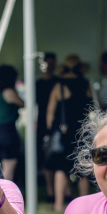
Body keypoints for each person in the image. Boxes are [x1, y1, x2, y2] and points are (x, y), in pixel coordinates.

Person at [45, 55, 92, 212]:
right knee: (83, 171)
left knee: (60, 169)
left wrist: (51, 130)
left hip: (64, 133)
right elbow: (92, 108)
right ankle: (85, 206)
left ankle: (59, 205)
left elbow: (50, 113)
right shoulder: (86, 85)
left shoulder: (59, 86)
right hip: (82, 132)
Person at [0, 64, 24, 181]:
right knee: (8, 169)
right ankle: (7, 196)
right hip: (8, 132)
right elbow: (23, 103)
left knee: (0, 167)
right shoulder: (9, 92)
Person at [36, 53, 57, 201]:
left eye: (52, 63)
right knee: (45, 159)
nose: (50, 66)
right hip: (43, 125)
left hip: (57, 125)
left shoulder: (58, 82)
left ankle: (58, 191)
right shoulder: (37, 84)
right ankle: (50, 192)